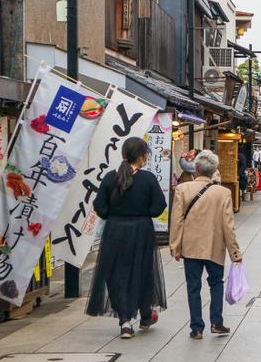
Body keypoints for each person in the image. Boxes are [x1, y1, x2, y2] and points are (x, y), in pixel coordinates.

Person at [86, 137, 168, 339]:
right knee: (142, 271)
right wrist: (143, 212)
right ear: (141, 156)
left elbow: (100, 206)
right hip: (141, 230)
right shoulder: (148, 178)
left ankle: (124, 321)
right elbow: (159, 206)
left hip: (115, 230)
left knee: (116, 273)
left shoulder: (110, 178)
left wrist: (112, 215)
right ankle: (146, 314)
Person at [170, 150, 243, 340]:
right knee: (216, 283)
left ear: (196, 169)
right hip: (214, 245)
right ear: (214, 171)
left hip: (191, 246)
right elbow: (228, 225)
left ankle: (196, 328)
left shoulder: (182, 189)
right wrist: (234, 251)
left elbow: (176, 220)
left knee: (193, 285)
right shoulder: (224, 193)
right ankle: (217, 322)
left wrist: (175, 246)